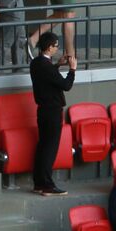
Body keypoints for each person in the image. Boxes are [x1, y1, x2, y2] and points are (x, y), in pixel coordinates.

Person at [29, 31, 77, 197]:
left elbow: (48, 75)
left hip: (42, 111)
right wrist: (72, 70)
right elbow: (66, 85)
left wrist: (57, 65)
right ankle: (47, 184)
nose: (57, 49)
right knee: (50, 149)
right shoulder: (47, 68)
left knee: (42, 147)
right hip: (52, 112)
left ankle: (39, 183)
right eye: (56, 46)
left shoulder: (36, 63)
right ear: (49, 47)